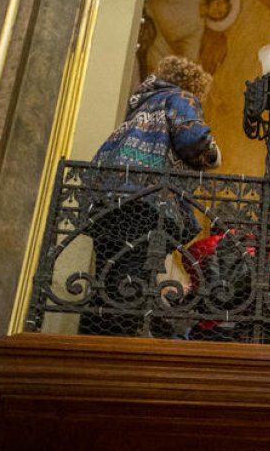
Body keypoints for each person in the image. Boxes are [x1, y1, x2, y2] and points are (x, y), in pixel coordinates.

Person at [82, 55, 222, 337]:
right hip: (147, 199)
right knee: (134, 271)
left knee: (109, 273)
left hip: (110, 197)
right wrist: (215, 156)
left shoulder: (141, 106)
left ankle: (98, 335)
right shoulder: (180, 97)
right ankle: (123, 341)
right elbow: (193, 138)